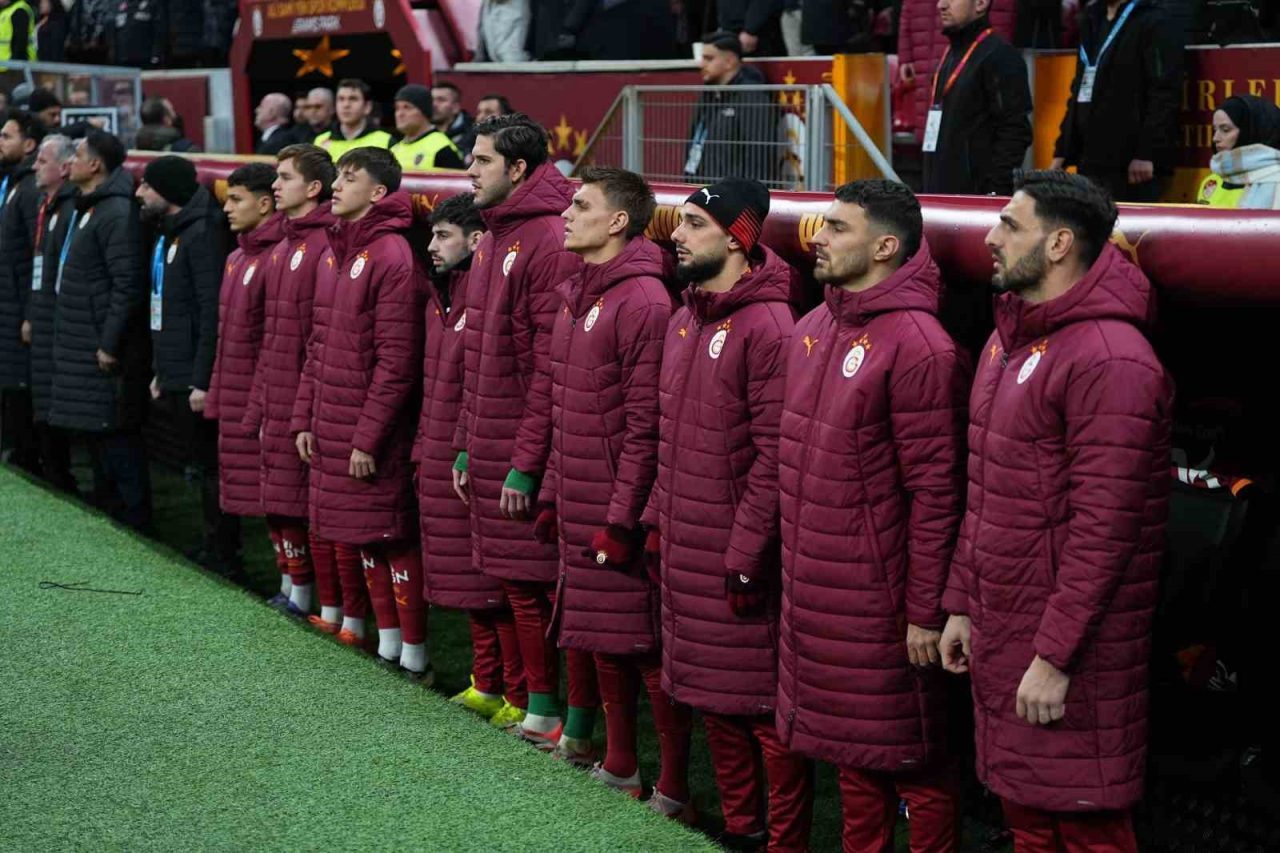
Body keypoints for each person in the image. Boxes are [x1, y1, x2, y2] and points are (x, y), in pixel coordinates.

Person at [941, 170, 1173, 852]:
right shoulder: (1006, 339)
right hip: (1005, 627)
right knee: (1029, 815)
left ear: (1060, 243)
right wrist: (962, 603)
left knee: (1086, 824)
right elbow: (986, 492)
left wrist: (1054, 656)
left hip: (1070, 652)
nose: (990, 237)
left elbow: (1105, 533)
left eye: (1010, 225)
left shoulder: (1113, 358)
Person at [774, 180, 969, 852]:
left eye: (837, 227)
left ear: (885, 246)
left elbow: (936, 493)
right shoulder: (813, 326)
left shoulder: (922, 345)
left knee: (915, 763)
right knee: (852, 755)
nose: (818, 238)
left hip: (884, 603)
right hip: (816, 591)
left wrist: (925, 610)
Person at [641, 178, 812, 851]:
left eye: (694, 224)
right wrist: (656, 518)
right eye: (678, 222)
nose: (676, 236)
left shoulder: (770, 326)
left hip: (738, 556)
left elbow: (775, 457)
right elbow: (667, 434)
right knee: (713, 698)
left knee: (764, 711)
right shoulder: (685, 316)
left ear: (738, 239)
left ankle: (784, 840)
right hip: (687, 543)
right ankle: (742, 828)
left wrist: (744, 554)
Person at [539, 167, 692, 816]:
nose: (566, 214)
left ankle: (675, 785)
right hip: (580, 494)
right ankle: (621, 762)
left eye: (581, 205)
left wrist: (623, 518)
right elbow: (562, 404)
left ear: (618, 221)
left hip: (616, 506)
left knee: (644, 646)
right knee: (602, 637)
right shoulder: (579, 288)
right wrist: (552, 488)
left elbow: (645, 426)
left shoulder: (645, 301)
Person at [452, 113, 587, 755]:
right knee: (513, 581)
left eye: (481, 161)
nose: (469, 171)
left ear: (518, 168)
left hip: (527, 447)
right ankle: (538, 704)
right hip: (491, 437)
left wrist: (527, 461)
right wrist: (465, 442)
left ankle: (556, 714)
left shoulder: (548, 239)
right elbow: (479, 357)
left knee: (541, 586)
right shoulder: (497, 234)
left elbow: (546, 370)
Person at [293, 148, 427, 679]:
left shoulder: (392, 254)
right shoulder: (338, 248)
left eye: (350, 178)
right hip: (333, 422)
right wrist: (305, 417)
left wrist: (367, 438)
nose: (336, 186)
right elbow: (319, 344)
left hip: (370, 433)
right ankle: (387, 644)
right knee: (362, 535)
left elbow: (397, 362)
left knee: (390, 536)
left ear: (378, 193)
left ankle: (414, 655)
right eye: (338, 176)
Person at [414, 192, 528, 729]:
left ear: (477, 240)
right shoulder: (441, 298)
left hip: (479, 452)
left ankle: (520, 692)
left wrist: (463, 445)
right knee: (472, 583)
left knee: (498, 587)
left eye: (444, 236)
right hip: (445, 452)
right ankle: (486, 682)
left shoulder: (482, 301)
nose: (431, 246)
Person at [247, 144, 344, 628]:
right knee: (282, 501)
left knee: (308, 507)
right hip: (280, 393)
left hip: (307, 400)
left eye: (285, 177)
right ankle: (292, 587)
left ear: (313, 188)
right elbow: (273, 335)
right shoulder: (284, 246)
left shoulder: (324, 245)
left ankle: (322, 603)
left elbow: (318, 338)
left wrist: (303, 408)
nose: (275, 186)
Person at [136, 155, 237, 575]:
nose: (139, 192)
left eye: (147, 185)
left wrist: (202, 379)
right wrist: (161, 369)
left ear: (168, 190)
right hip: (174, 368)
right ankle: (210, 542)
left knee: (212, 466)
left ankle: (225, 553)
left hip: (197, 375)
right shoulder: (168, 230)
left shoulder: (202, 233)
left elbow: (210, 312)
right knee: (197, 463)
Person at [48, 131, 151, 531]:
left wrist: (108, 342)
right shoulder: (89, 206)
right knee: (97, 434)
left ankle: (136, 519)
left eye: (76, 155)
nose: (68, 162)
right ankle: (111, 508)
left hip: (100, 345)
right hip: (81, 339)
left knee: (116, 437)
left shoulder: (115, 213)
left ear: (95, 165)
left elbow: (126, 285)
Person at [206, 164, 284, 597]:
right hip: (237, 399)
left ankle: (297, 591)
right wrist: (218, 395)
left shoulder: (278, 258)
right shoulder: (236, 257)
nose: (227, 208)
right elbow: (227, 337)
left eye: (236, 200)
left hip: (264, 402)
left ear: (265, 203)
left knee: (282, 501)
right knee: (261, 501)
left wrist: (259, 406)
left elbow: (276, 343)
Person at [1050, 0, 1182, 202]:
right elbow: (1079, 88)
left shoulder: (1154, 19)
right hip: (1090, 159)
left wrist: (1147, 152)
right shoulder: (1092, 18)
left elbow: (1164, 92)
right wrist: (1063, 150)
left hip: (1132, 165)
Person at [922, 0, 1032, 195]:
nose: (941, 5)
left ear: (981, 3)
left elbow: (1014, 131)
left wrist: (994, 193)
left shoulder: (1000, 55)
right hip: (941, 192)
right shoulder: (950, 54)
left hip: (977, 198)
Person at [23, 133, 79, 493]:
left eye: (42, 161)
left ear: (65, 168)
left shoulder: (70, 210)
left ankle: (63, 476)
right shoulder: (48, 206)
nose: (35, 168)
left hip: (61, 321)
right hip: (43, 315)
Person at [897, 0, 1014, 140]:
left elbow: (1001, 11)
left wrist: (993, 48)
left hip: (973, 38)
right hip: (925, 41)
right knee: (931, 115)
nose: (940, 5)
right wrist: (906, 52)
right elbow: (908, 6)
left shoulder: (996, 52)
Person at [0, 110, 44, 474]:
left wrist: (30, 312)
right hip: (7, 305)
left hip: (18, 309)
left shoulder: (29, 190)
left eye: (6, 136)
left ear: (29, 144)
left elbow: (36, 254)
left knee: (19, 388)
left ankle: (28, 460)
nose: (0, 142)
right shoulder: (12, 181)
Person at [683, 32, 774, 185]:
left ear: (729, 62)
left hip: (734, 193)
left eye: (709, 59)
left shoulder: (751, 97)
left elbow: (758, 155)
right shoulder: (708, 94)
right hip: (703, 188)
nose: (701, 65)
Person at [1199, 95, 1280, 209]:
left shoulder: (1276, 182)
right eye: (1215, 130)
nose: (1215, 138)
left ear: (1251, 131)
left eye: (1225, 130)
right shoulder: (1211, 182)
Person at [390, 85, 464, 173]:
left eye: (407, 107)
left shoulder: (442, 148)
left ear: (424, 111)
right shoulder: (393, 150)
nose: (399, 114)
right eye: (397, 108)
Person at [315, 79, 392, 160]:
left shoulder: (385, 141)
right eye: (341, 99)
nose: (346, 105)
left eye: (353, 99)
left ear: (367, 107)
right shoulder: (320, 141)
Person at [136, 97, 201, 153]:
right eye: (172, 110)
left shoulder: (134, 151)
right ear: (166, 119)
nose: (176, 115)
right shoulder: (188, 150)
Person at [431, 82, 476, 160]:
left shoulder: (474, 133)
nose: (434, 104)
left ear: (456, 107)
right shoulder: (420, 130)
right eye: (431, 100)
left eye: (441, 100)